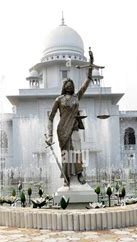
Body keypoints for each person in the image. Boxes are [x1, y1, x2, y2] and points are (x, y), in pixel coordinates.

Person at [46, 49, 94, 186]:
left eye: (71, 83)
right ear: (63, 86)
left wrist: (91, 63)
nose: (69, 84)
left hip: (74, 129)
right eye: (66, 83)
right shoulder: (59, 99)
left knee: (77, 152)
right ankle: (67, 178)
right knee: (66, 154)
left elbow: (88, 81)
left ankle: (79, 174)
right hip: (62, 130)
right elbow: (51, 117)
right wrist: (49, 136)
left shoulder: (76, 97)